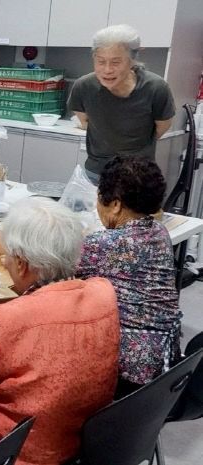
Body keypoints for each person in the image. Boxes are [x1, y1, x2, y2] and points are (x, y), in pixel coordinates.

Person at [0, 198, 119, 465]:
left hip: (21, 453)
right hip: (86, 446)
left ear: (21, 264)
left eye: (7, 256)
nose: (6, 262)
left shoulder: (13, 318)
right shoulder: (104, 292)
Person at [77, 156, 181, 397]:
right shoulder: (159, 232)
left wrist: (4, 246)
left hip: (129, 375)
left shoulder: (101, 244)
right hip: (166, 365)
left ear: (115, 204)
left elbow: (46, 265)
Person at [68, 24, 175, 184]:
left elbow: (160, 129)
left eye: (116, 62)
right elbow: (86, 123)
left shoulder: (156, 88)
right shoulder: (83, 87)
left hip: (138, 175)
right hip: (96, 173)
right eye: (101, 61)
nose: (107, 70)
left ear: (133, 60)